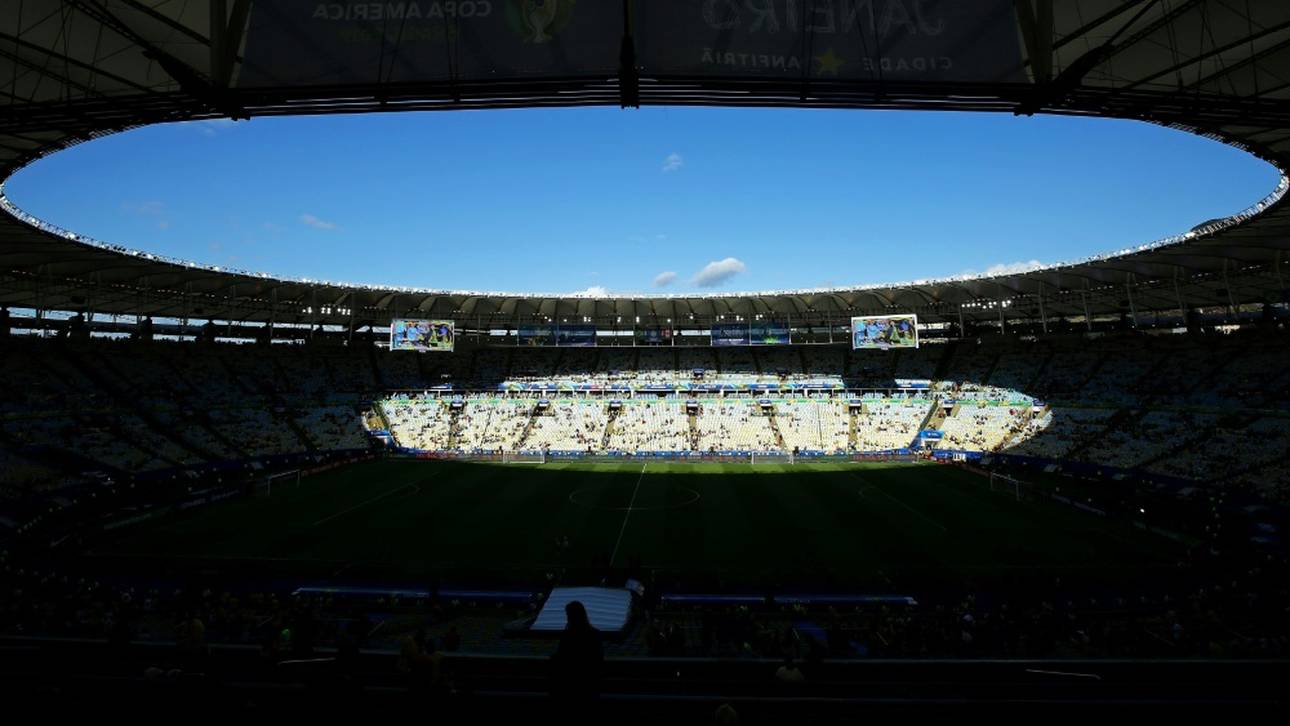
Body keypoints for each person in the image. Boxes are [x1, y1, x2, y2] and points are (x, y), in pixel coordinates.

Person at [550, 600, 602, 701]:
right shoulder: (594, 634)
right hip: (589, 684)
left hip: (569, 684)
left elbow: (561, 657)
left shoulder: (567, 635)